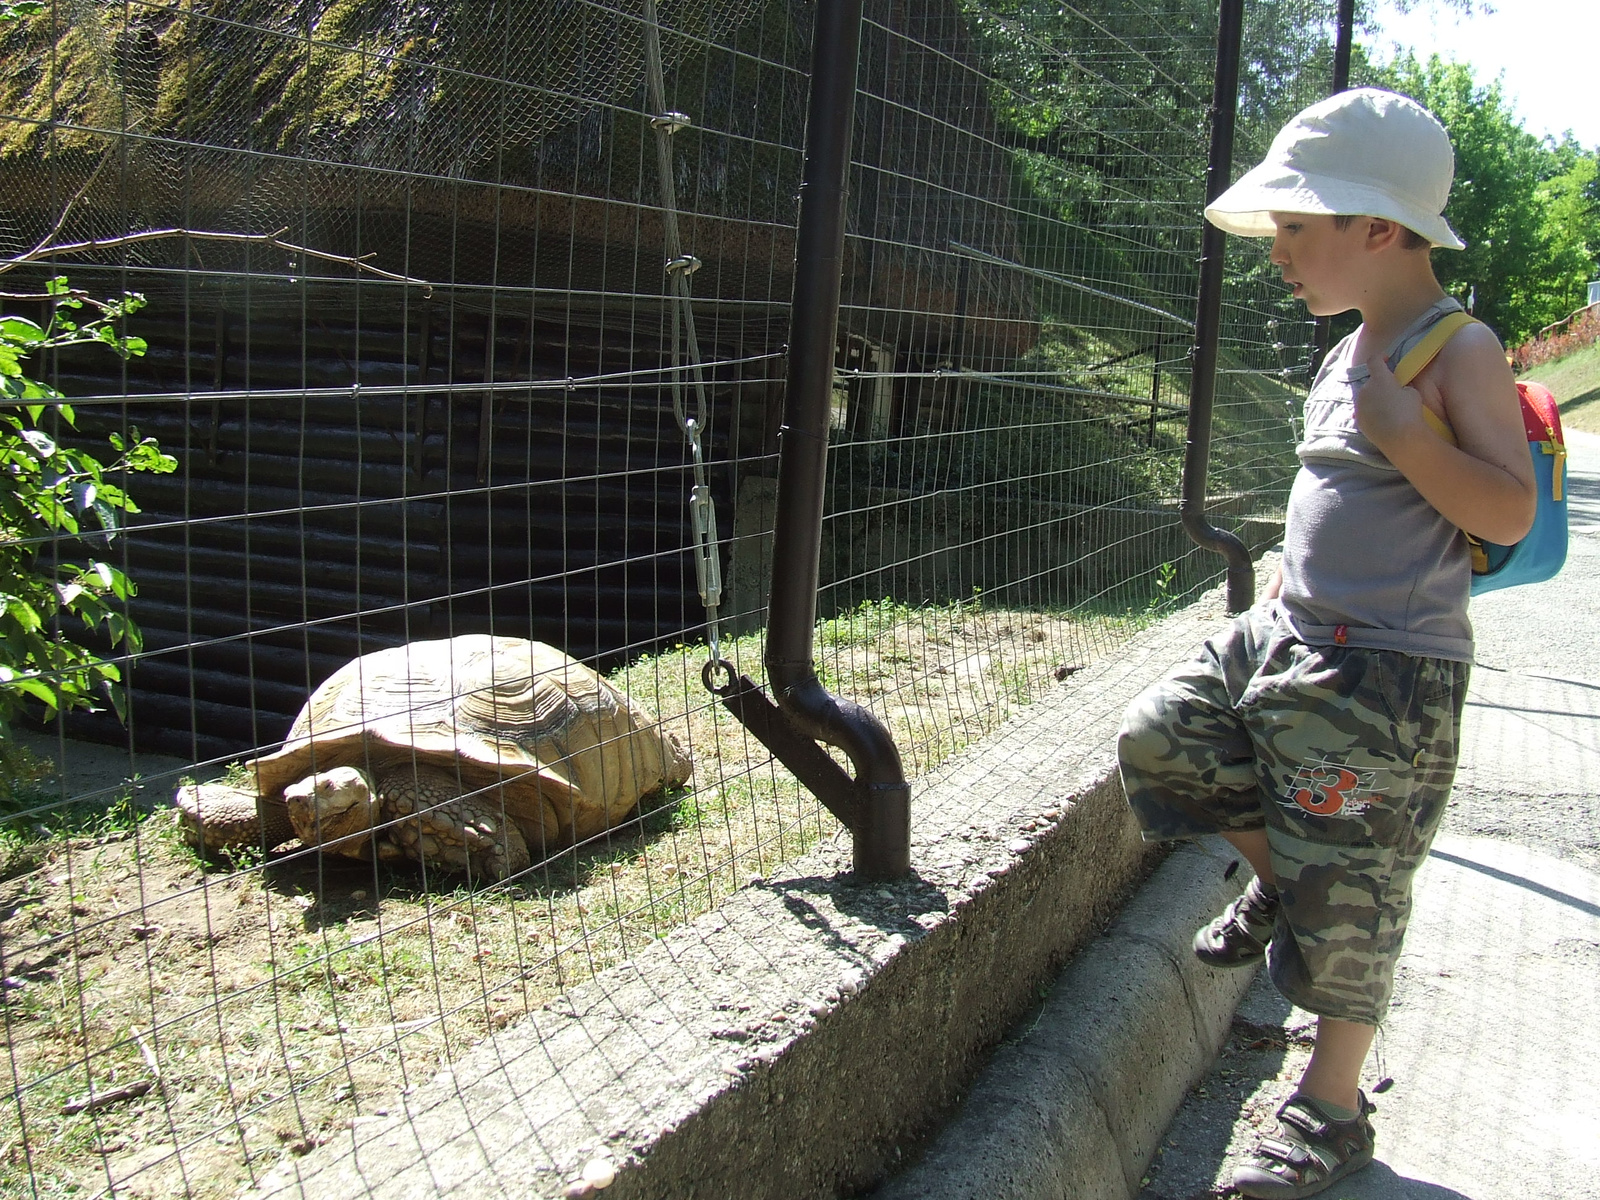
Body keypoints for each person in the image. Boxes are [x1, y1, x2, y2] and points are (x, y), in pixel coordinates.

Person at [1117, 87, 1536, 1199]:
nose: (1279, 253)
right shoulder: (1348, 341)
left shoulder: (1457, 347)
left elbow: (1505, 513)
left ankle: (1329, 1108)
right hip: (1287, 631)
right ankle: (1281, 882)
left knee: (1355, 894)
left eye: (1298, 228)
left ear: (1380, 231)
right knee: (1162, 733)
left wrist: (1404, 435)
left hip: (1386, 668)